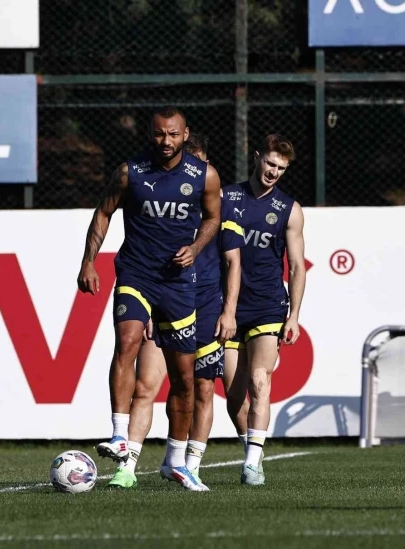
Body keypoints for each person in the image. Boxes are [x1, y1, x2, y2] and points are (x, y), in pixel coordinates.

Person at [77, 107, 221, 492]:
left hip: (178, 284)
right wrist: (89, 261)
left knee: (184, 379)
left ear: (185, 134)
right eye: (159, 134)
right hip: (136, 274)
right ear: (150, 133)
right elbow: (104, 212)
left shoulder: (204, 175)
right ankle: (119, 434)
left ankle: (175, 461)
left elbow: (213, 218)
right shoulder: (130, 172)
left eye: (173, 134)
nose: (166, 141)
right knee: (126, 341)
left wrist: (196, 247)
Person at [105, 133, 246, 489]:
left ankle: (185, 464)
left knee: (200, 388)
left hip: (206, 306)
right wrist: (149, 307)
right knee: (146, 385)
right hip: (166, 299)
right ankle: (126, 465)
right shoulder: (162, 199)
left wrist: (228, 311)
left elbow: (233, 262)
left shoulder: (220, 210)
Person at [222, 134, 306, 486]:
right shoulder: (226, 197)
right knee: (233, 398)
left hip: (268, 305)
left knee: (260, 380)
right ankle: (252, 449)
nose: (274, 172)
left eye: (281, 168)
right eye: (270, 163)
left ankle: (252, 464)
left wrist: (294, 316)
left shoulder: (289, 209)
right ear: (257, 157)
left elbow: (297, 267)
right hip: (228, 307)